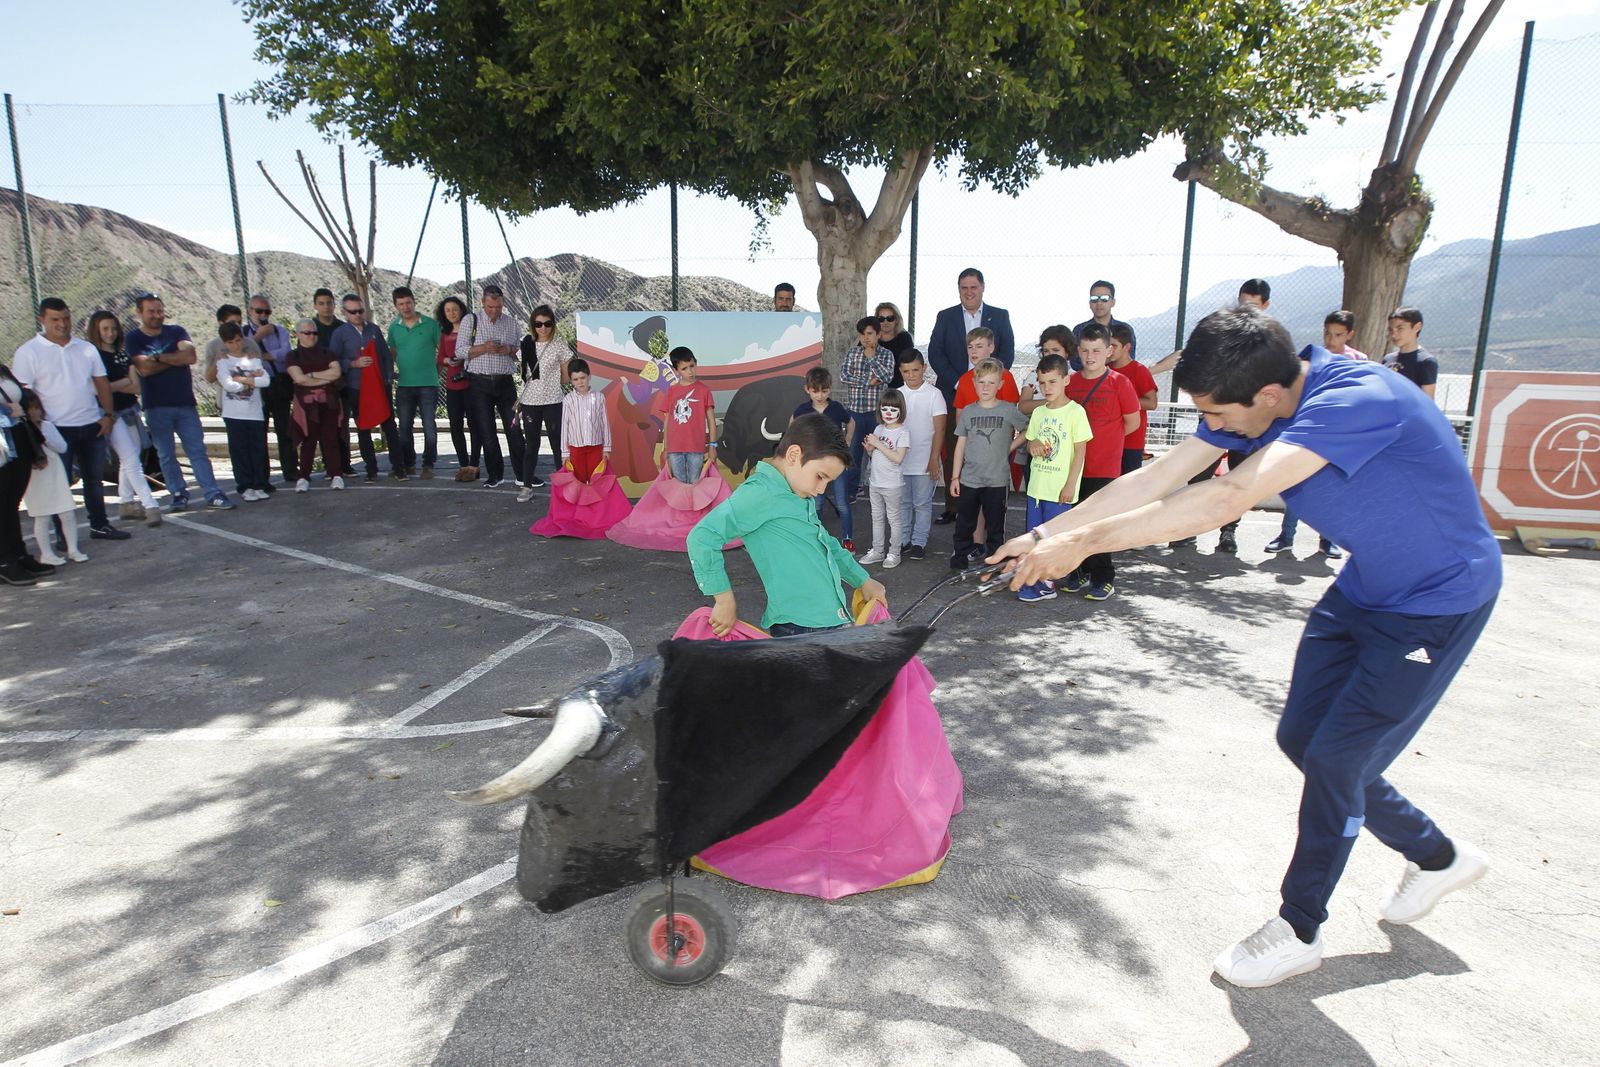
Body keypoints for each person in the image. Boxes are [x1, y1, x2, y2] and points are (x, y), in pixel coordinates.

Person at [995, 306, 1500, 988]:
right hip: (1366, 588)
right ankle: (1436, 855)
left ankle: (1300, 925)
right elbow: (1153, 480)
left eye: (1219, 415)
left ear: (1266, 396)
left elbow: (1228, 495)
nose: (1216, 427)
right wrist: (1045, 535)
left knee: (1334, 756)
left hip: (1439, 600)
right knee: (1304, 741)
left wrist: (1082, 546)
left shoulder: (1355, 399)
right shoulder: (1253, 396)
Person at [688, 413, 885, 636]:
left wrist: (863, 579)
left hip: (826, 621)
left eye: (829, 482)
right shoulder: (760, 493)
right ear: (793, 455)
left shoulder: (798, 493)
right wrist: (723, 599)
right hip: (799, 628)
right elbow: (702, 536)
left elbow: (826, 545)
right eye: (820, 476)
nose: (821, 490)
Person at [10, 297, 128, 540]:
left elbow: (101, 383)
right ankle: (65, 536)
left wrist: (107, 415)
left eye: (66, 318)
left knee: (94, 481)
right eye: (55, 319)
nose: (62, 324)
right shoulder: (28, 352)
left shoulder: (86, 348)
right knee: (60, 486)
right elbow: (25, 394)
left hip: (92, 424)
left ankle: (100, 524)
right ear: (42, 320)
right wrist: (39, 429)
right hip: (55, 431)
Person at [1268, 310, 1365, 557]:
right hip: (1311, 431)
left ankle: (1328, 540)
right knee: (1297, 484)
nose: (1332, 340)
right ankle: (1286, 536)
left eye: (1338, 335)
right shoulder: (1313, 360)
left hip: (1341, 434)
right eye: (1328, 333)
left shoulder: (1358, 361)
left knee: (1332, 489)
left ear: (1350, 334)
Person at [126, 294, 235, 511]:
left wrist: (157, 358)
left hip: (185, 403)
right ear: (140, 313)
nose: (157, 315)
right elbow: (144, 369)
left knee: (197, 450)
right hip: (156, 405)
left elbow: (189, 357)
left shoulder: (177, 331)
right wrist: (173, 358)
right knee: (166, 454)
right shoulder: (133, 338)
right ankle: (178, 493)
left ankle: (212, 492)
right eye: (151, 311)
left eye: (160, 310)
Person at [928, 269, 1014, 519]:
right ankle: (953, 507)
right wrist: (958, 383)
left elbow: (1007, 351)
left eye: (973, 287)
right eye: (963, 287)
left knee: (988, 449)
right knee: (955, 446)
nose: (969, 292)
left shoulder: (999, 315)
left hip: (991, 395)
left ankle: (992, 508)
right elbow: (935, 353)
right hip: (956, 392)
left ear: (982, 287)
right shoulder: (946, 316)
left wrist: (992, 382)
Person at [1061, 324, 1139, 601]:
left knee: (1097, 524)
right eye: (1084, 350)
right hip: (1073, 467)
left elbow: (1132, 422)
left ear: (1108, 351)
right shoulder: (1071, 383)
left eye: (1096, 350)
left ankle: (1103, 577)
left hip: (1104, 468)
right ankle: (1078, 570)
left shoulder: (1120, 383)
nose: (1090, 356)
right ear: (1077, 352)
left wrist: (1109, 441)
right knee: (1074, 521)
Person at [1016, 353, 1092, 602]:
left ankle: (1047, 582)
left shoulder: (1075, 412)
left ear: (1066, 380)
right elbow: (1029, 444)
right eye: (1042, 382)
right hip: (1037, 488)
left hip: (1060, 490)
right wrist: (1033, 443)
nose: (1046, 388)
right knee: (1034, 536)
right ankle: (1033, 579)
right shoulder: (1038, 413)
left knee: (1054, 540)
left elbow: (1080, 451)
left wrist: (1071, 484)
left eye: (1052, 381)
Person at [949, 358, 1028, 571]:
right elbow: (960, 446)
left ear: (1000, 384)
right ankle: (959, 562)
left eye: (991, 383)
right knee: (964, 522)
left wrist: (1009, 447)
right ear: (974, 383)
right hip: (970, 479)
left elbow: (1028, 429)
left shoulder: (1007, 410)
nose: (986, 387)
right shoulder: (968, 411)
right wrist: (955, 477)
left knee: (995, 526)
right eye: (981, 382)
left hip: (997, 480)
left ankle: (994, 563)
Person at [86, 311, 162, 526]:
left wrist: (111, 386)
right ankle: (150, 505)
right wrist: (120, 384)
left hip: (129, 410)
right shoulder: (93, 356)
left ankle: (126, 502)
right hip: (109, 414)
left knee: (132, 457)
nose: (110, 333)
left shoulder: (122, 354)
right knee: (130, 459)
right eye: (105, 329)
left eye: (113, 328)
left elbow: (136, 385)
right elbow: (98, 390)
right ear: (96, 331)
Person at [455, 284, 526, 488]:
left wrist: (510, 350)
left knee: (514, 429)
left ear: (503, 303)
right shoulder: (471, 320)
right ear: (483, 303)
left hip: (505, 383)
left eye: (498, 307)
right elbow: (460, 351)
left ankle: (523, 475)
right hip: (479, 383)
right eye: (490, 307)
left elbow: (521, 353)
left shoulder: (511, 323)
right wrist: (484, 348)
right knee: (487, 431)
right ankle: (495, 475)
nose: (494, 311)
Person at [330, 292, 406, 482]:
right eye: (353, 312)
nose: (357, 315)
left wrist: (388, 376)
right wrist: (353, 364)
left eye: (360, 311)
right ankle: (371, 469)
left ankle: (398, 468)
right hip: (356, 388)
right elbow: (333, 360)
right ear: (344, 312)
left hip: (380, 386)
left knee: (389, 426)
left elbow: (385, 355)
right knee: (364, 428)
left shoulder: (373, 329)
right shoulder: (340, 334)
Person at [207, 322, 273, 501]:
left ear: (242, 339)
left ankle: (259, 484)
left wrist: (244, 378)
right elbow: (229, 385)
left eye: (237, 340)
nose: (235, 345)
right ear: (224, 343)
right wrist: (251, 380)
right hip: (233, 414)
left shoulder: (253, 359)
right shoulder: (222, 362)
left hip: (255, 412)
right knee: (240, 450)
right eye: (230, 342)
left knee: (258, 449)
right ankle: (245, 486)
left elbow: (265, 381)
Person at [791, 367, 854, 548]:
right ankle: (816, 539)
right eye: (815, 391)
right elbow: (792, 429)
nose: (819, 395)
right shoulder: (802, 410)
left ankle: (847, 539)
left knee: (842, 503)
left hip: (837, 463)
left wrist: (847, 440)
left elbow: (851, 422)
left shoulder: (836, 408)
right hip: (814, 467)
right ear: (807, 389)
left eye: (824, 391)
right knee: (816, 503)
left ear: (830, 389)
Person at [21, 395, 87, 565]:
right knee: (42, 516)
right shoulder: (21, 430)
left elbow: (62, 447)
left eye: (37, 408)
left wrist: (44, 437)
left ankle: (73, 549)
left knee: (67, 513)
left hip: (55, 472)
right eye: (30, 409)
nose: (34, 412)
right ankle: (46, 554)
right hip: (35, 476)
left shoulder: (48, 426)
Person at [895, 349, 947, 561]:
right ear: (900, 371)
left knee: (922, 503)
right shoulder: (897, 395)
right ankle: (904, 539)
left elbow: (940, 429)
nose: (911, 375)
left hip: (925, 461)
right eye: (906, 371)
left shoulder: (934, 395)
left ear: (924, 368)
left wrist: (934, 459)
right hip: (901, 461)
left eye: (915, 370)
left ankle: (919, 541)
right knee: (903, 503)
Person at [1, 363, 50, 585]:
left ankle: (19, 555)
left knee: (12, 503)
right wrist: (6, 410)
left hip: (17, 437)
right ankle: (4, 562)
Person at [516, 304, 571, 501]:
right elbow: (523, 372)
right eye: (538, 324)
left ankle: (562, 488)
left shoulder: (559, 346)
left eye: (547, 324)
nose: (543, 328)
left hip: (553, 400)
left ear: (553, 324)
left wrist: (551, 381)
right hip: (530, 401)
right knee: (531, 444)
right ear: (533, 325)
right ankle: (527, 486)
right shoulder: (526, 344)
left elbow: (566, 377)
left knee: (557, 444)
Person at [839, 315, 895, 507]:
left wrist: (871, 359)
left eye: (870, 334)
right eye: (862, 334)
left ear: (878, 334)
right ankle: (851, 491)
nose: (866, 338)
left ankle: (882, 491)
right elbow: (844, 375)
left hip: (877, 414)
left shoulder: (886, 355)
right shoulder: (852, 353)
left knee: (880, 453)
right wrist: (867, 381)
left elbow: (886, 376)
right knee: (853, 453)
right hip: (855, 412)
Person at [387, 286, 442, 479]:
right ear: (396, 306)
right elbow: (392, 353)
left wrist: (435, 372)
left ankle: (428, 465)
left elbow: (441, 351)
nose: (406, 307)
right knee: (404, 428)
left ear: (414, 302)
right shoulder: (394, 327)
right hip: (404, 386)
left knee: (429, 426)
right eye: (401, 304)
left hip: (428, 384)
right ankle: (408, 464)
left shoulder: (430, 324)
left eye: (408, 302)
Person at [286, 319, 346, 492]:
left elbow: (336, 373)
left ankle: (336, 475)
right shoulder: (293, 356)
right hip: (306, 406)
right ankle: (303, 477)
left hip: (330, 402)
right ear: (298, 334)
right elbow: (298, 378)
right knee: (308, 440)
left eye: (315, 333)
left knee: (331, 439)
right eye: (307, 333)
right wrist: (323, 379)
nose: (312, 336)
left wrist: (311, 375)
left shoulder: (328, 353)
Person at [244, 294, 296, 487]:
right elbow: (245, 355)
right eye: (259, 311)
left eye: (267, 312)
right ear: (250, 311)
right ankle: (262, 476)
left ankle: (290, 471)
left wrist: (264, 354)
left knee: (285, 430)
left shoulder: (279, 330)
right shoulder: (244, 333)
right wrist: (258, 337)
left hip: (279, 383)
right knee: (260, 431)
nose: (263, 315)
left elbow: (286, 353)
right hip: (258, 386)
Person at [858, 388, 909, 569]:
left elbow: (898, 458)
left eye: (893, 409)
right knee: (876, 518)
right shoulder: (879, 428)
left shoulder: (902, 432)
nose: (888, 413)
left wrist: (878, 444)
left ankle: (894, 553)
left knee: (894, 519)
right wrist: (871, 450)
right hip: (875, 481)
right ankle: (878, 551)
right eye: (885, 409)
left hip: (892, 484)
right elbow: (877, 456)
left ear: (901, 411)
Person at [657, 347, 716, 485]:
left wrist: (713, 446)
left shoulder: (704, 390)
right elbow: (667, 421)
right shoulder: (671, 391)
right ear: (676, 371)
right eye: (684, 368)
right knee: (678, 485)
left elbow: (711, 421)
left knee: (695, 483)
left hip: (696, 448)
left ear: (696, 363)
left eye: (692, 366)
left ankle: (695, 507)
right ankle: (682, 507)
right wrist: (666, 449)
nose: (690, 371)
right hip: (674, 449)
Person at [435, 296, 479, 480]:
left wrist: (465, 357)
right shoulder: (444, 334)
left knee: (475, 425)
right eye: (448, 310)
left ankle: (474, 464)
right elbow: (440, 358)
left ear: (461, 310)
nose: (452, 313)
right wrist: (448, 360)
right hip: (453, 385)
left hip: (471, 384)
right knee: (455, 426)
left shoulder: (472, 331)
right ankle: (463, 464)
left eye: (455, 309)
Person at [1108, 323, 1159, 475]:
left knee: (1127, 484)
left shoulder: (1139, 371)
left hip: (1131, 442)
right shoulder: (1104, 369)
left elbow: (1152, 403)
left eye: (1114, 345)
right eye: (1107, 345)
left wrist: (1124, 399)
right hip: (1109, 439)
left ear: (1126, 347)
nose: (1110, 350)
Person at [559, 358, 610, 480]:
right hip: (576, 449)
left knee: (597, 480)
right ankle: (580, 500)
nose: (580, 382)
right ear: (571, 381)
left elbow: (605, 424)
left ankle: (594, 500)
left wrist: (607, 448)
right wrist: (565, 453)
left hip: (596, 447)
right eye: (576, 379)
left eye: (583, 378)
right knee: (578, 480)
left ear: (589, 376)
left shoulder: (599, 397)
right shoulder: (568, 400)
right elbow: (564, 427)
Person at [1073, 279, 1138, 363]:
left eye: (1104, 298)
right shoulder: (1079, 330)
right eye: (1094, 299)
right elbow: (1075, 362)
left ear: (1113, 302)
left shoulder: (1125, 329)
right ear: (1089, 303)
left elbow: (1129, 360)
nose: (1099, 302)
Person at [1383, 306, 1438, 399]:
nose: (1394, 335)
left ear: (1417, 327)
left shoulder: (1426, 362)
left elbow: (1428, 401)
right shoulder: (1388, 359)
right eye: (1391, 330)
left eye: (1400, 329)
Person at [875, 302, 913, 388]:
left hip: (897, 386)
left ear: (897, 320)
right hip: (872, 386)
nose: (885, 322)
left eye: (890, 318)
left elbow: (909, 362)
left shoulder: (904, 338)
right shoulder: (870, 337)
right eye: (881, 319)